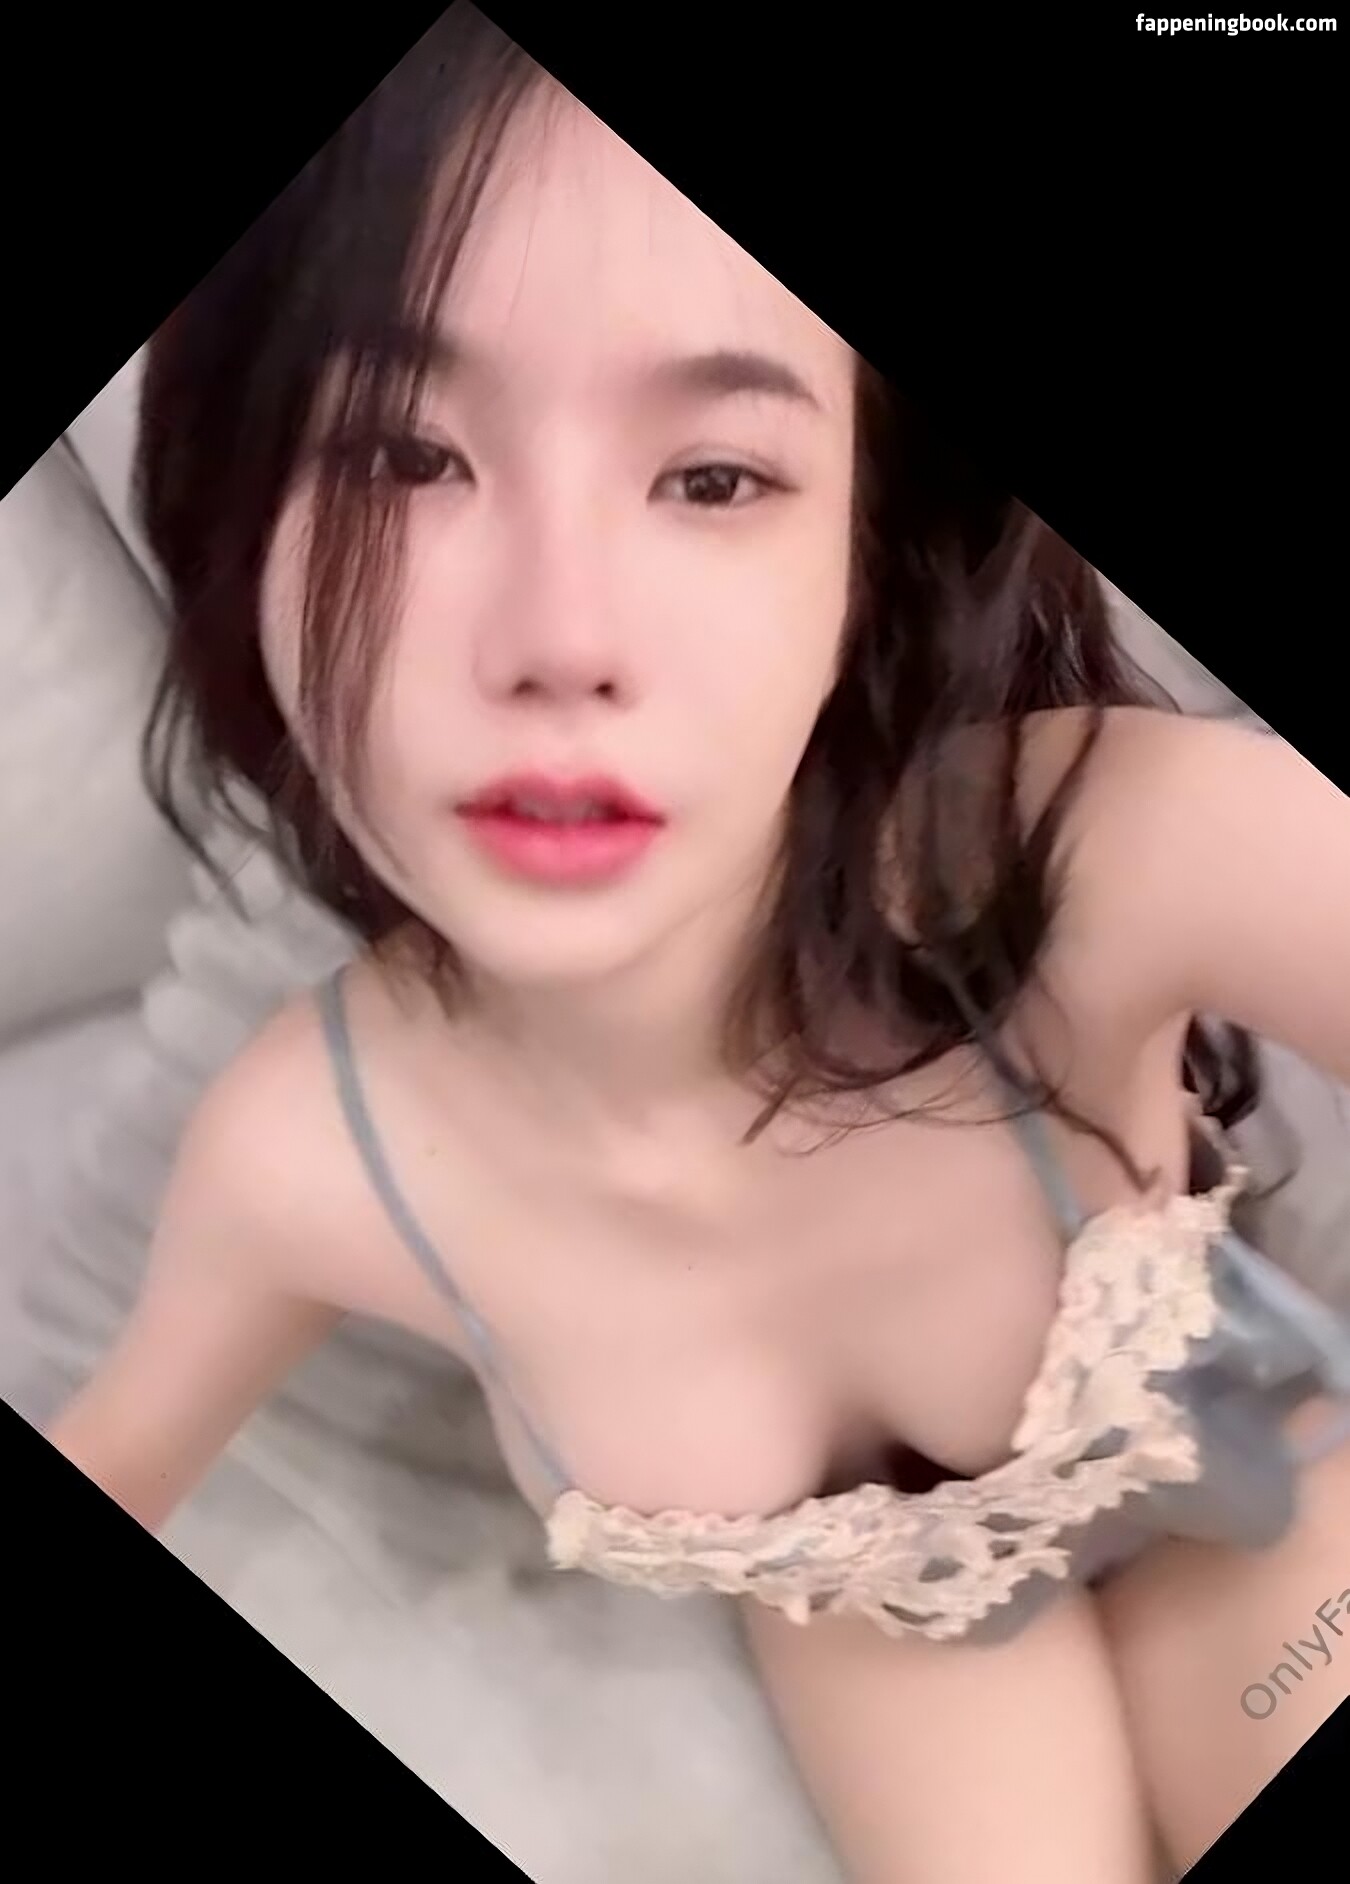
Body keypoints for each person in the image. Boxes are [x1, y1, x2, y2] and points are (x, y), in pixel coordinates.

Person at [46, 10, 1350, 1880]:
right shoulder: (304, 1157)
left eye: (715, 476)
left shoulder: (1103, 855)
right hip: (884, 1632)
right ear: (232, 513)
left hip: (1235, 1499)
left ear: (863, 556)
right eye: (403, 456)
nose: (559, 639)